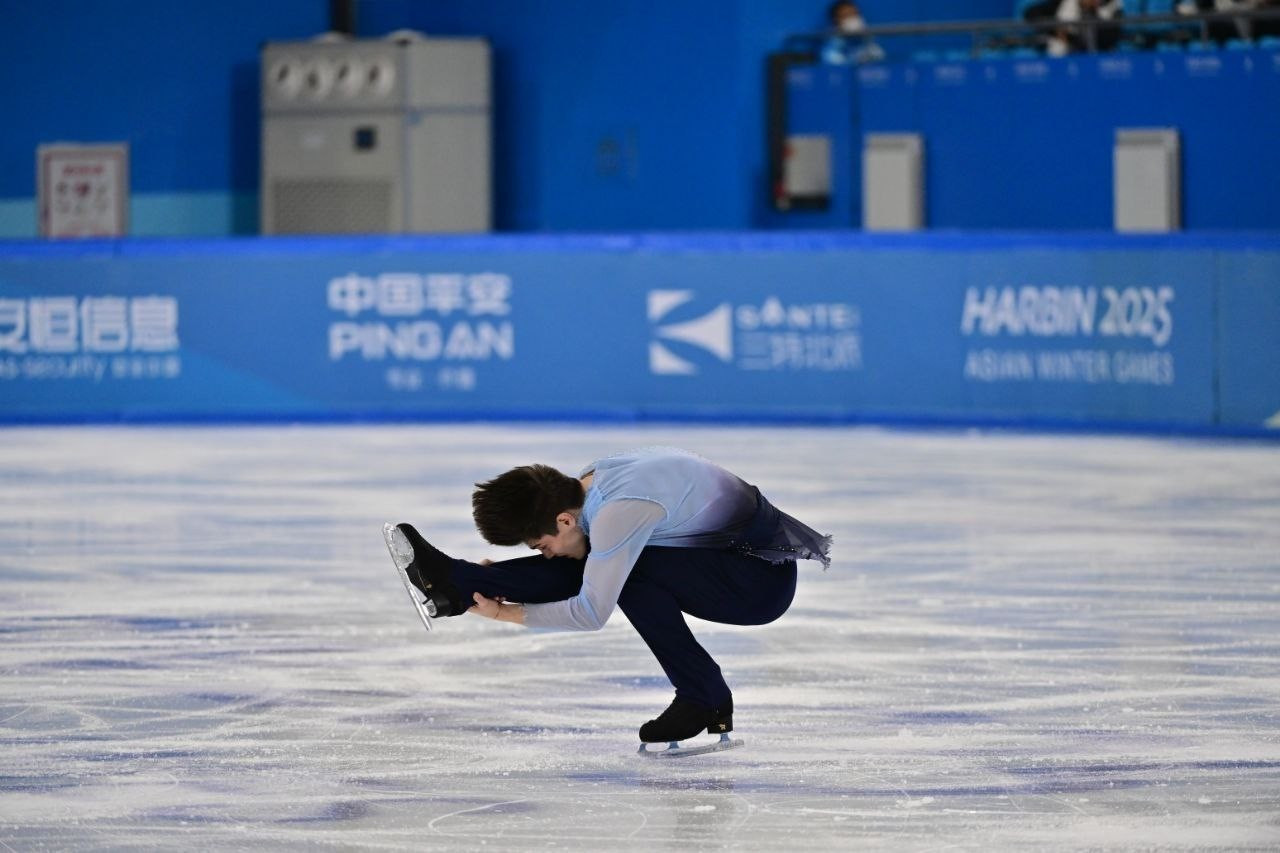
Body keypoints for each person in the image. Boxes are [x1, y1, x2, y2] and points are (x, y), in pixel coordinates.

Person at [387, 446, 831, 746]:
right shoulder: (593, 484)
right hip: (726, 559)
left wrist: (504, 612)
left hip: (755, 585)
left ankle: (703, 697)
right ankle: (455, 583)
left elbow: (591, 612)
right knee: (598, 559)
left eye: (539, 546)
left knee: (622, 572)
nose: (544, 554)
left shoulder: (621, 510)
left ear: (562, 519)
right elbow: (583, 557)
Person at [1024, 0, 1125, 55]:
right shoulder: (1066, 3)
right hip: (1066, 54)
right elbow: (1031, 13)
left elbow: (1109, 39)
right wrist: (1056, 30)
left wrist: (1092, 10)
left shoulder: (1113, 6)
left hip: (1099, 56)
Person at [821, 0, 886, 64]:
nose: (853, 19)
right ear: (836, 20)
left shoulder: (868, 42)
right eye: (846, 15)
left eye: (855, 14)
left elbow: (880, 58)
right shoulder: (831, 49)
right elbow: (833, 62)